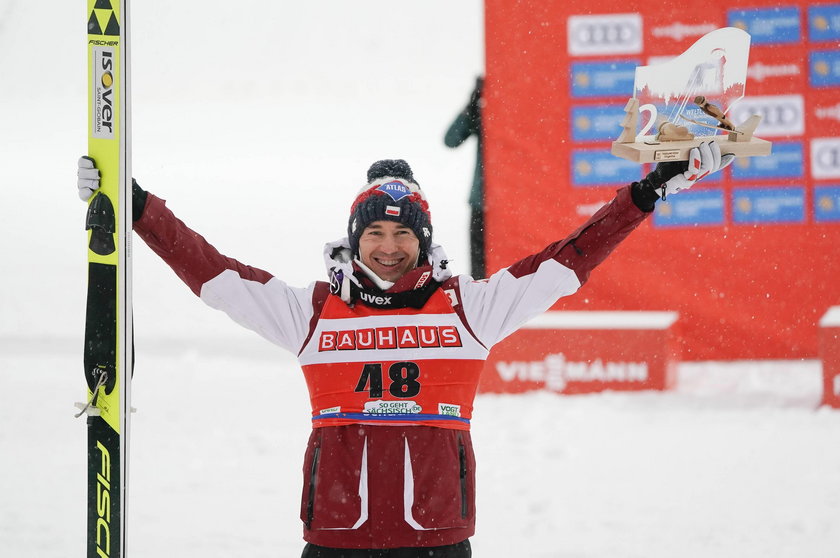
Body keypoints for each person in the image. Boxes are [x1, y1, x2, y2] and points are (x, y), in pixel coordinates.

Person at [76, 143, 733, 557]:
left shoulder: (469, 309)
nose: (389, 246)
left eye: (403, 233)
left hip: (437, 544)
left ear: (424, 241)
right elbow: (213, 272)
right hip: (336, 541)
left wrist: (645, 193)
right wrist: (133, 205)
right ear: (354, 240)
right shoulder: (310, 314)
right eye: (375, 232)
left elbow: (571, 257)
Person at [444, 76, 485, 279]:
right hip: (482, 201)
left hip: (514, 202)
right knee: (481, 275)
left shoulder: (519, 106)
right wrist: (472, 107)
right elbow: (450, 140)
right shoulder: (488, 109)